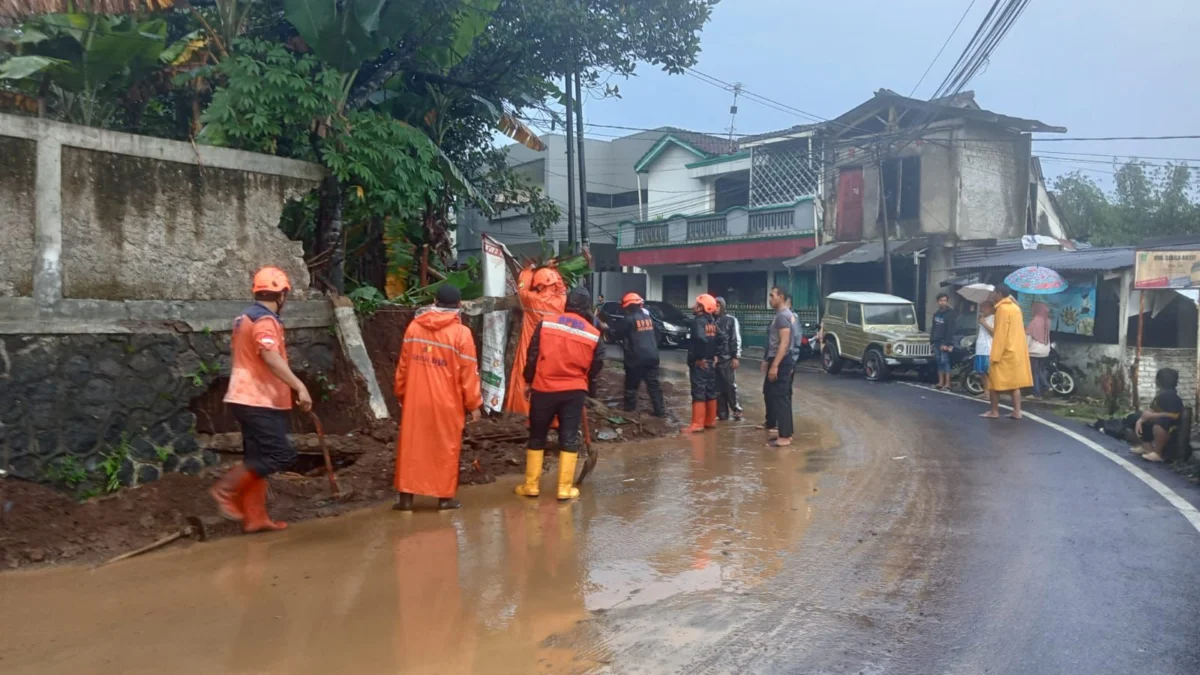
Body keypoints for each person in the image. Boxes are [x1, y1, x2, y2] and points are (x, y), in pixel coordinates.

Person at [209, 266, 312, 533]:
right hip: (258, 398)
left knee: (257, 456)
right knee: (280, 454)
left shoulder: (245, 317)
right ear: (282, 295)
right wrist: (299, 386)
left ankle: (255, 518)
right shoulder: (265, 321)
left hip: (246, 396)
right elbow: (270, 356)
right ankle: (226, 490)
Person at [392, 285, 483, 511]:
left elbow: (403, 365)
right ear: (459, 305)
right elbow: (468, 373)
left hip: (416, 398)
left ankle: (405, 500)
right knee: (445, 447)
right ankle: (444, 499)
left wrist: (401, 392)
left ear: (434, 301)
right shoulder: (461, 334)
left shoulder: (414, 327)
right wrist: (474, 404)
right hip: (447, 403)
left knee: (412, 447)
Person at [515, 287, 605, 501]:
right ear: (587, 307)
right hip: (573, 392)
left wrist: (528, 381)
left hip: (544, 388)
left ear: (567, 302)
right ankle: (564, 489)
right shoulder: (593, 333)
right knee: (569, 435)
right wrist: (584, 377)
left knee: (537, 434)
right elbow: (598, 363)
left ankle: (531, 486)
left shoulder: (546, 323)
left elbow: (533, 355)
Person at [505, 266, 566, 416]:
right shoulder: (561, 302)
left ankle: (521, 410)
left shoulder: (532, 300)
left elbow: (521, 287)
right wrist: (553, 271)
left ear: (539, 285)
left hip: (530, 343)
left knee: (524, 376)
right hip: (552, 347)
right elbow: (562, 288)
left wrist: (528, 271)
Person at [611, 292, 665, 417]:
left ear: (628, 306)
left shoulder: (628, 319)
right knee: (654, 386)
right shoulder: (649, 318)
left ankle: (629, 411)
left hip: (635, 359)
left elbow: (616, 334)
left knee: (631, 386)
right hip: (652, 357)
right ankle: (660, 412)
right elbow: (658, 334)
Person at [983, 286, 1033, 420]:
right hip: (1016, 350)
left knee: (993, 383)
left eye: (994, 293)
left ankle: (994, 411)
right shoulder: (1016, 308)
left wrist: (995, 355)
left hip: (1005, 351)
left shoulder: (1002, 309)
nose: (992, 295)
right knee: (1014, 384)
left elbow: (1000, 334)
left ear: (999, 293)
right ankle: (1017, 411)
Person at [762, 286, 796, 446]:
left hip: (781, 361)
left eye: (772, 296)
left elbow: (784, 343)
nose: (770, 299)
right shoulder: (786, 315)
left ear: (781, 297)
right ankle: (784, 433)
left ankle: (785, 437)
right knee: (778, 396)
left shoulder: (783, 317)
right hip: (781, 360)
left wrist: (775, 365)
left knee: (781, 397)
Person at [684, 293, 722, 433]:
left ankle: (697, 424)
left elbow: (700, 339)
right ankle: (710, 421)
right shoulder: (712, 322)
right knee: (710, 390)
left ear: (701, 308)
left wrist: (699, 358)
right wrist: (716, 355)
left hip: (700, 364)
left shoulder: (698, 322)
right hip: (711, 362)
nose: (693, 307)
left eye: (696, 305)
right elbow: (722, 338)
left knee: (698, 390)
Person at [1133, 368, 1184, 463]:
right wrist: (1140, 420)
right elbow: (1150, 411)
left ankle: (1158, 453)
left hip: (1171, 430)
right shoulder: (1160, 395)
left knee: (1160, 421)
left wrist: (1153, 416)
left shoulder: (1172, 396)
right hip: (1160, 423)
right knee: (1134, 417)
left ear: (1159, 381)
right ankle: (1147, 448)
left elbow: (1174, 416)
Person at [714, 297, 743, 421]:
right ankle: (722, 412)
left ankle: (736, 408)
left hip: (727, 358)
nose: (716, 308)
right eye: (714, 305)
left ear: (723, 307)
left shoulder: (731, 320)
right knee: (717, 388)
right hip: (715, 359)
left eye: (718, 306)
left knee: (729, 385)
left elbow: (735, 338)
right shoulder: (711, 321)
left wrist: (735, 356)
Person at [930, 293, 956, 390]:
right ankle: (940, 382)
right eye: (941, 300)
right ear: (937, 302)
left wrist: (947, 343)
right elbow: (934, 328)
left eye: (945, 300)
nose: (943, 302)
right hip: (936, 341)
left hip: (944, 341)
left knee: (945, 362)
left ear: (947, 302)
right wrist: (931, 341)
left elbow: (950, 330)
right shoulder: (936, 314)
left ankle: (947, 383)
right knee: (939, 362)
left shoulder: (950, 314)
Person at [1026, 301, 1052, 398]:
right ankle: (1046, 386)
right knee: (1039, 371)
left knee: (1034, 373)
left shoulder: (1034, 322)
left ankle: (1036, 394)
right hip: (1045, 351)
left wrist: (1024, 349)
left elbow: (1028, 338)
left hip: (1034, 351)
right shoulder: (1047, 321)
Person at [974, 300, 995, 395]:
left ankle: (991, 392)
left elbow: (994, 333)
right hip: (980, 348)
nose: (982, 309)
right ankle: (986, 391)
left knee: (988, 373)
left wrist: (984, 323)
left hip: (988, 349)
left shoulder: (994, 318)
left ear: (991, 308)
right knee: (981, 372)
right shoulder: (982, 318)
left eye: (984, 307)